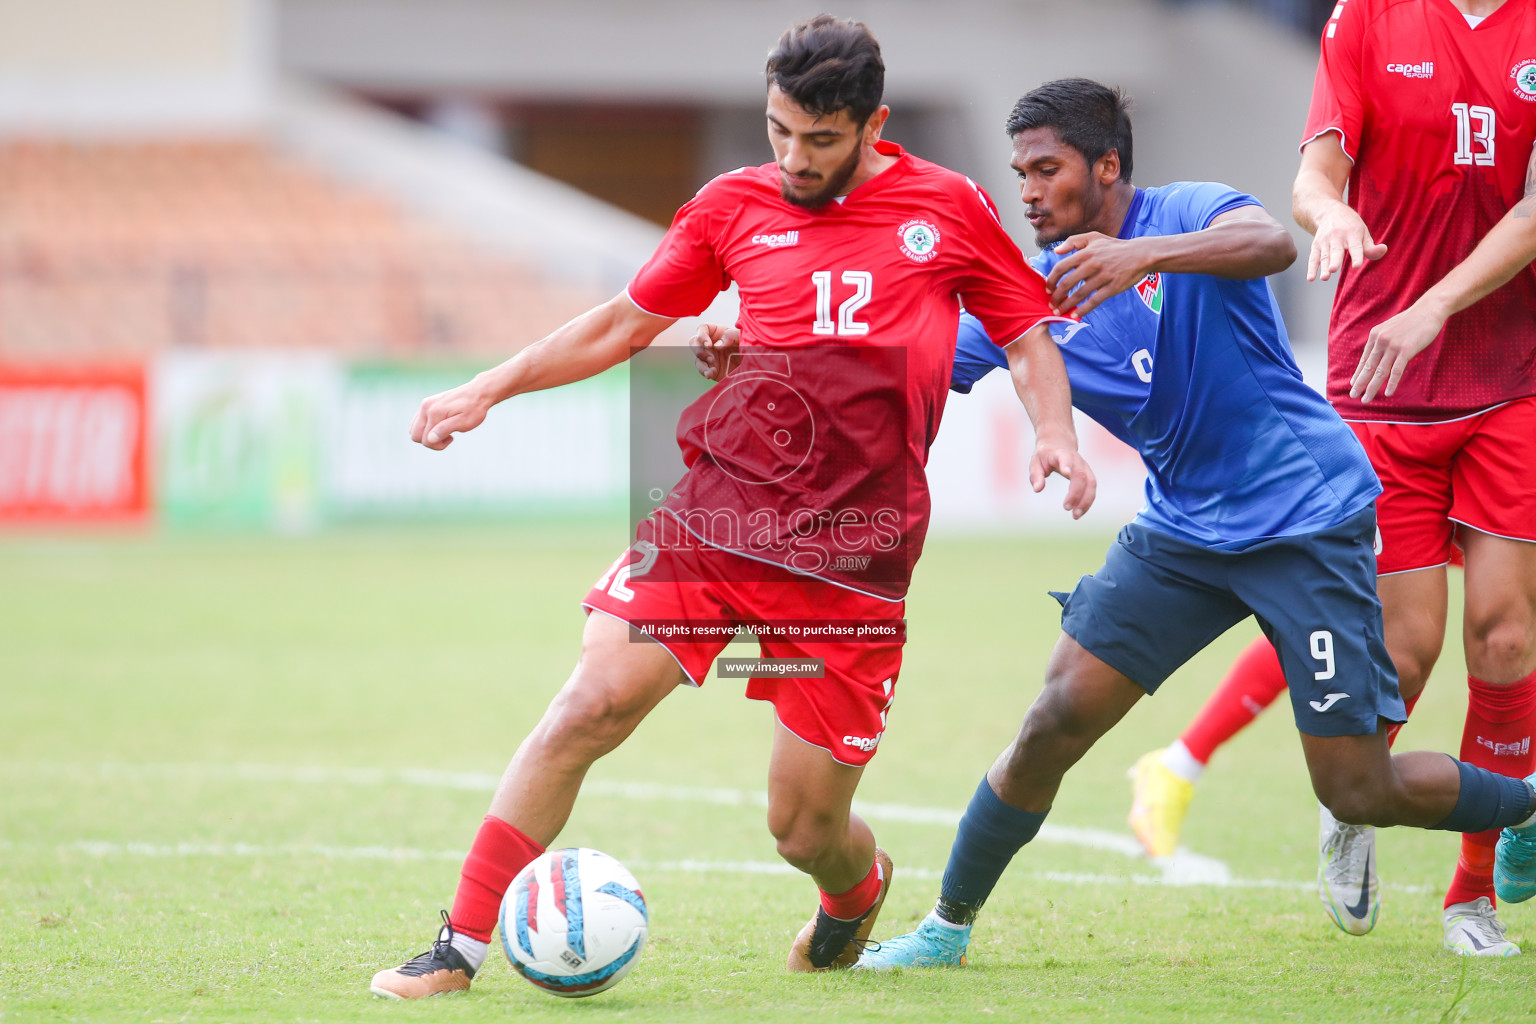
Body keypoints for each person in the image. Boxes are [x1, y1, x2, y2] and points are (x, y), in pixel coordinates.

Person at [367, 16, 1094, 998]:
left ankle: (854, 891)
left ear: (874, 124)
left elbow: (1024, 333)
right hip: (720, 515)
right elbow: (627, 321)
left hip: (854, 555)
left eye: (821, 140)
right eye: (777, 132)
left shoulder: (947, 210)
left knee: (803, 828)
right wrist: (488, 386)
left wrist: (1055, 430)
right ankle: (457, 946)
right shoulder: (732, 207)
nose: (794, 160)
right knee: (590, 703)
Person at [821, 77, 1536, 971]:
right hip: (1183, 535)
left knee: (1356, 786)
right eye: (1021, 173)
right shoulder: (1032, 294)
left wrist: (1142, 256)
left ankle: (1527, 802)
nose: (1029, 191)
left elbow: (1272, 240)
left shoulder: (1186, 211)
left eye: (1047, 169)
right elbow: (900, 362)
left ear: (1108, 165)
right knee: (1053, 720)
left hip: (1304, 521)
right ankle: (946, 928)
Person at [1127, 0, 1536, 957]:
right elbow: (1313, 177)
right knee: (1405, 651)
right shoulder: (1366, 19)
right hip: (1382, 381)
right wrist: (1331, 209)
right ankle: (1353, 798)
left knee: (1507, 636)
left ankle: (1468, 894)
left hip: (1507, 380)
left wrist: (1436, 305)